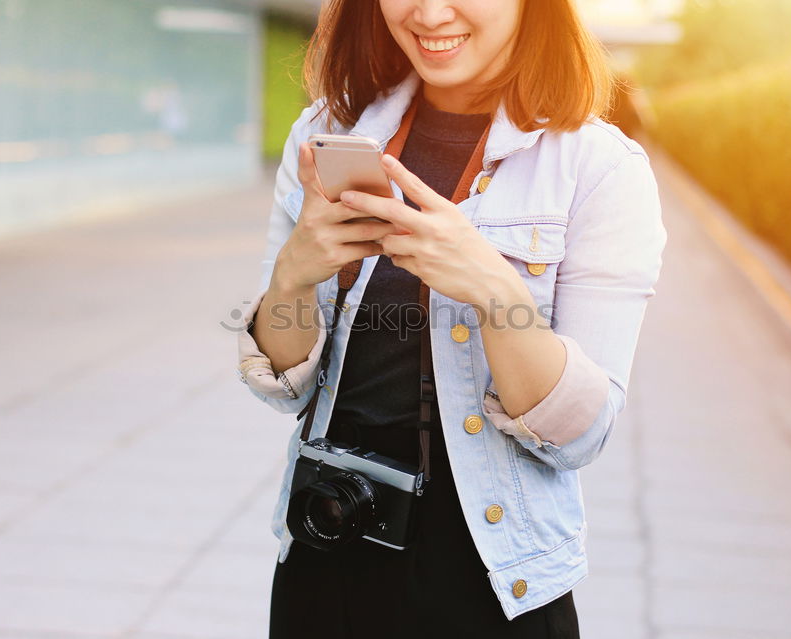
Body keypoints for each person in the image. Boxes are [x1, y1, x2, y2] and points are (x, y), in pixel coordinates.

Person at [235, 0, 667, 637]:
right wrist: (293, 276)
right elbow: (284, 383)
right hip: (327, 546)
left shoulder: (599, 170)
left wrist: (495, 290)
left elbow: (581, 433)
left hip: (494, 577)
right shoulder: (324, 135)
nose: (431, 13)